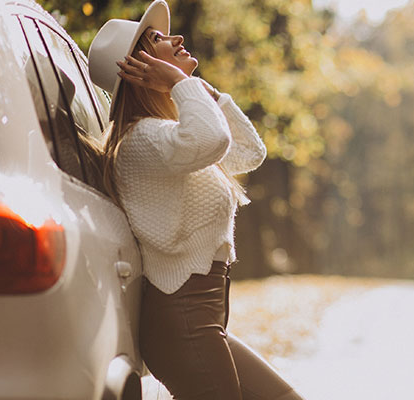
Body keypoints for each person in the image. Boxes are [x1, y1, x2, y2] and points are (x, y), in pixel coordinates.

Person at [87, 2, 304, 399]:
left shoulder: (168, 134)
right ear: (141, 70)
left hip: (202, 319)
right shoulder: (141, 141)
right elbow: (213, 140)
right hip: (183, 321)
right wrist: (177, 83)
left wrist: (201, 90)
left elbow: (247, 153)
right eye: (158, 40)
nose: (178, 38)